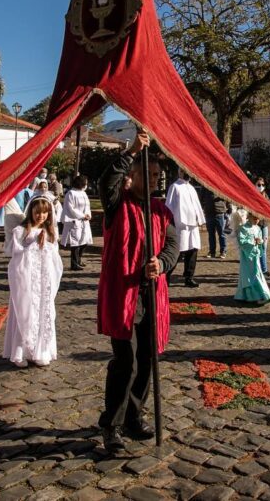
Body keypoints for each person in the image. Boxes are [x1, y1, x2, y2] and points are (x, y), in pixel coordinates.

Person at [96, 131, 178, 455]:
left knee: (147, 360)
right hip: (124, 296)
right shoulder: (117, 204)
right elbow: (106, 181)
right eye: (150, 174)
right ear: (133, 176)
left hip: (151, 296)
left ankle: (134, 415)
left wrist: (162, 262)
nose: (156, 179)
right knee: (125, 361)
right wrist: (132, 151)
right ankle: (112, 425)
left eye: (158, 175)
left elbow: (172, 246)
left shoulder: (161, 211)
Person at [3, 196, 64, 368]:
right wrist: (34, 245)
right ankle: (20, 351)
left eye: (45, 213)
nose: (41, 216)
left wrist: (46, 246)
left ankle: (41, 351)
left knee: (43, 312)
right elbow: (15, 255)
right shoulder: (21, 231)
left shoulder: (50, 232)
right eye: (38, 212)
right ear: (31, 211)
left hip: (43, 281)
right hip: (26, 280)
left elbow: (55, 257)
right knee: (25, 312)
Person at [165, 171, 205, 288]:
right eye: (184, 171)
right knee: (178, 251)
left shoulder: (191, 188)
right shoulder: (174, 187)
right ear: (180, 172)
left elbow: (196, 205)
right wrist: (168, 223)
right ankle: (166, 276)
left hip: (193, 225)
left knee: (193, 250)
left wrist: (200, 219)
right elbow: (169, 205)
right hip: (180, 225)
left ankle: (189, 277)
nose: (187, 174)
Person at [235, 211, 270, 305]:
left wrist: (260, 241)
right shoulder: (243, 228)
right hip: (247, 256)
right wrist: (253, 241)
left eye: (258, 219)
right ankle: (247, 295)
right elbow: (242, 242)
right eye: (255, 218)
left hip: (255, 254)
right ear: (249, 217)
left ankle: (263, 295)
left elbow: (260, 240)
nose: (257, 220)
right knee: (247, 274)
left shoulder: (258, 228)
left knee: (257, 273)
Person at [61, 175, 93, 271]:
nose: (86, 185)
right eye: (85, 183)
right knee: (75, 243)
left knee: (84, 241)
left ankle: (79, 259)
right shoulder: (71, 193)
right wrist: (82, 216)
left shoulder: (84, 193)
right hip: (74, 221)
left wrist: (88, 215)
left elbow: (87, 206)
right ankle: (74, 263)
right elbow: (70, 208)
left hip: (84, 221)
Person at [200, 188, 230, 259]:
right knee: (211, 234)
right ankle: (212, 251)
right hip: (209, 213)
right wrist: (202, 207)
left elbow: (227, 195)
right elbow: (201, 197)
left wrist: (229, 207)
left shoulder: (220, 185)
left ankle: (223, 251)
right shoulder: (205, 186)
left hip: (220, 212)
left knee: (221, 234)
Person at [254, 177, 270, 276]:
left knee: (263, 247)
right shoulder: (251, 195)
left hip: (264, 224)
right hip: (255, 224)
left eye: (263, 185)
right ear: (255, 185)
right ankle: (256, 268)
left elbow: (268, 208)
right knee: (255, 247)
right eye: (259, 185)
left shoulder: (266, 196)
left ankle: (264, 269)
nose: (261, 186)